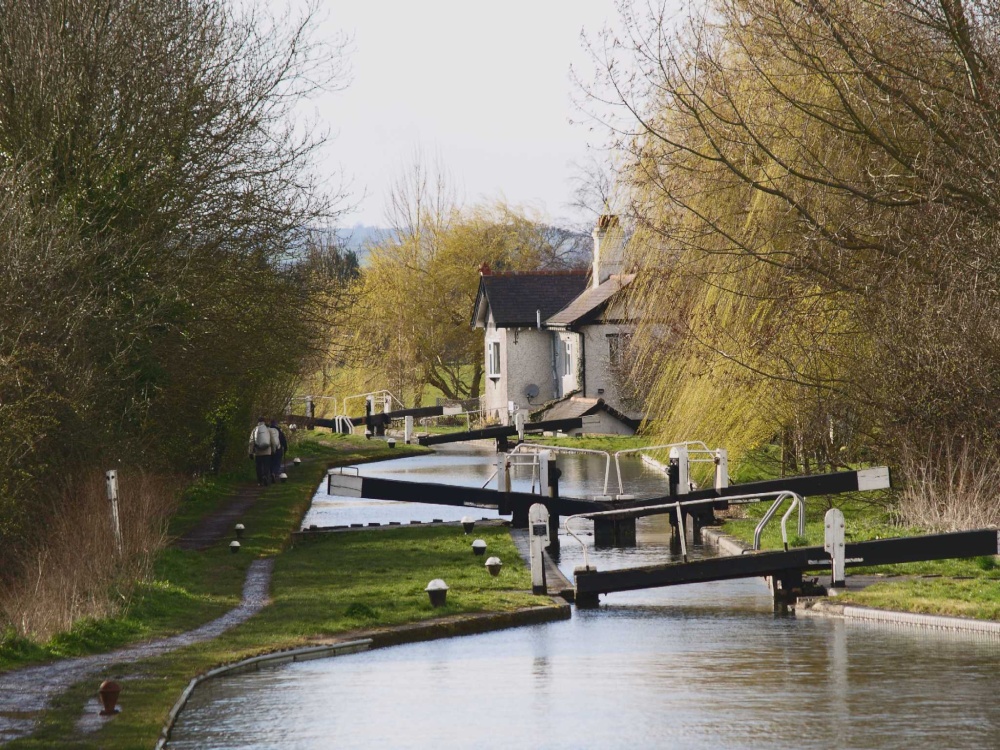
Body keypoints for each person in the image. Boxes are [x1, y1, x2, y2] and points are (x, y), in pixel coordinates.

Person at [248, 416, 277, 486]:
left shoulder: (255, 430)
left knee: (258, 467)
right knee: (266, 466)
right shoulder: (268, 430)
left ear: (258, 422)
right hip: (267, 452)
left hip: (258, 452)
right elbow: (273, 441)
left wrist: (250, 452)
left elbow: (251, 442)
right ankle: (265, 477)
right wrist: (274, 450)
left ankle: (259, 481)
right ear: (264, 421)